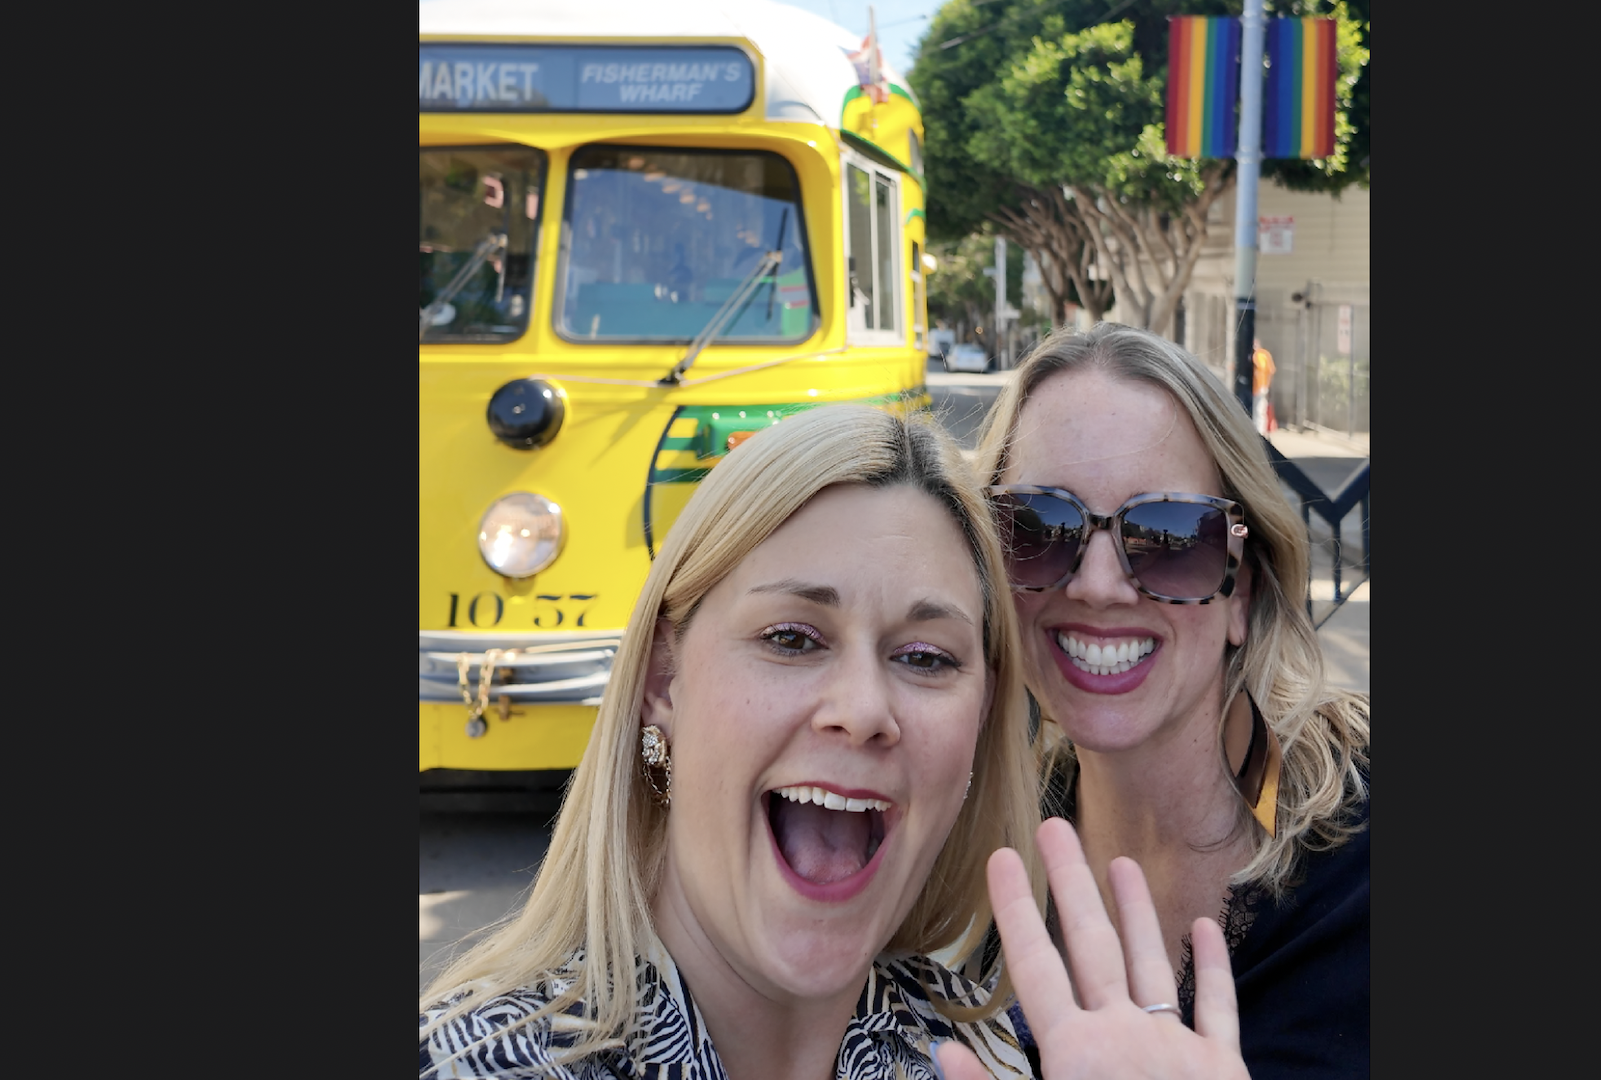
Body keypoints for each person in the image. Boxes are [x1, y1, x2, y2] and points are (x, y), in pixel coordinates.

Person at [420, 404, 1248, 1079]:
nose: (862, 709)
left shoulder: (983, 1057)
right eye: (792, 638)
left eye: (925, 658)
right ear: (663, 683)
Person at [969, 323, 1371, 1077]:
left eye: (1169, 535)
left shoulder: (1363, 864)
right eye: (1037, 526)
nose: (1095, 584)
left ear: (1241, 588)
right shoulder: (964, 858)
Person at [1250, 338, 1276, 435]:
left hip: (1261, 387)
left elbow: (1271, 371)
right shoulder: (1252, 355)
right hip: (1252, 388)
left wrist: (1267, 386)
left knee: (1260, 410)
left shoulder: (1263, 355)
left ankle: (1260, 432)